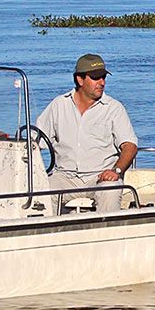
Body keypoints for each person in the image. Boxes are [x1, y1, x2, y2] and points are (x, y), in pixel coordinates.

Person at [34, 53, 139, 212]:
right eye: (96, 78)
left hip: (99, 176)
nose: (102, 82)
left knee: (109, 190)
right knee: (37, 193)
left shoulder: (113, 108)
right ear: (80, 79)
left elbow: (130, 146)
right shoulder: (59, 105)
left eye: (103, 77)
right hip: (64, 176)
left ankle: (107, 233)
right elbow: (36, 139)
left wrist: (116, 171)